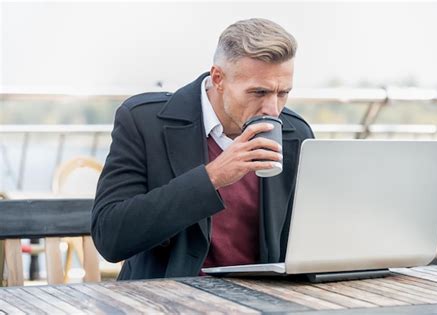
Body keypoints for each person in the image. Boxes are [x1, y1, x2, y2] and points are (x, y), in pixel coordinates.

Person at [91, 18, 314, 280]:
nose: (273, 109)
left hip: (262, 300)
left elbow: (304, 241)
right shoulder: (144, 122)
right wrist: (212, 177)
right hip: (165, 299)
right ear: (218, 78)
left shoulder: (295, 134)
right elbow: (110, 238)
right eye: (258, 92)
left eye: (282, 93)